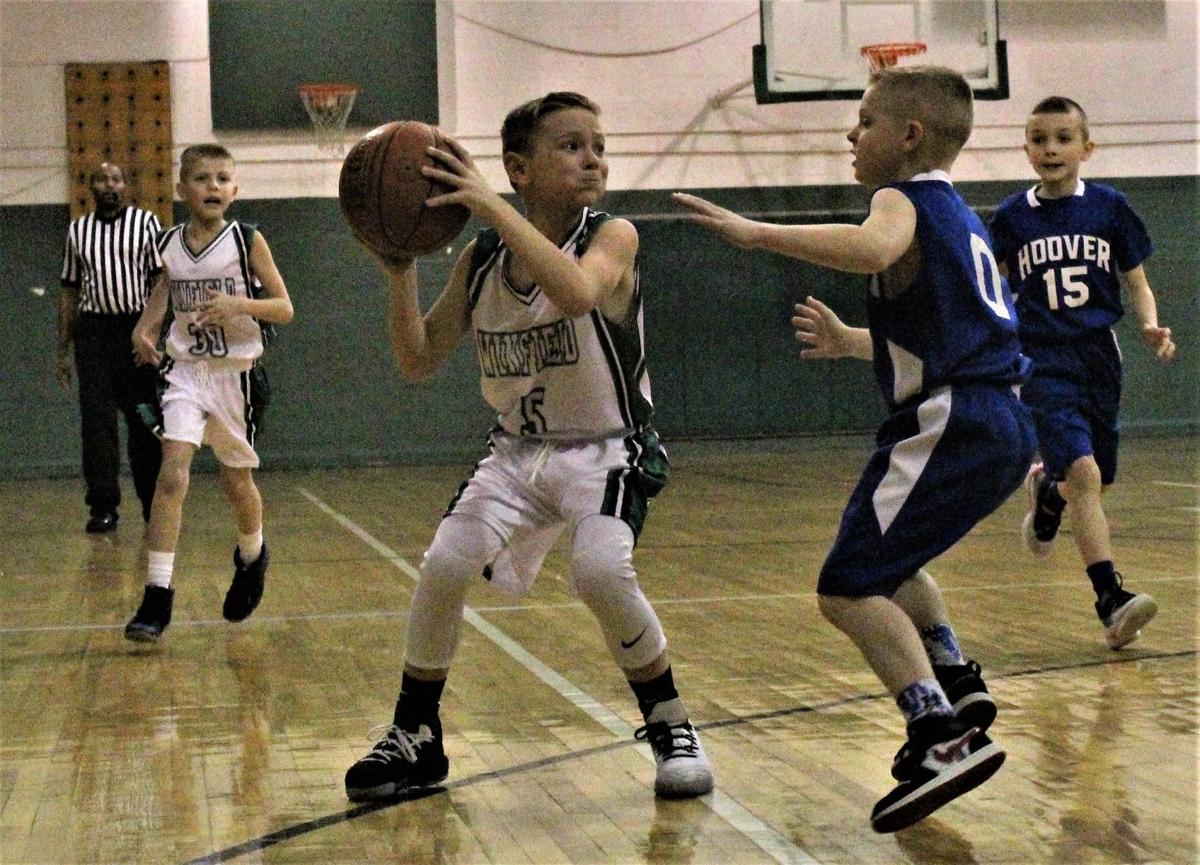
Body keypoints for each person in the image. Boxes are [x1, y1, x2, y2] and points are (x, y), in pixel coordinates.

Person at [674, 66, 1036, 832]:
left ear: (908, 137)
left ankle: (937, 733)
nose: (850, 132)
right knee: (893, 565)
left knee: (845, 586)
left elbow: (873, 249)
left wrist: (757, 232)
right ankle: (955, 675)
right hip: (999, 416)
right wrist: (851, 342)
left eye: (865, 120)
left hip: (950, 419)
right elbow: (946, 334)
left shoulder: (899, 198)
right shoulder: (962, 216)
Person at [343, 92, 713, 802]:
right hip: (517, 452)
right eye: (571, 145)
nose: (592, 156)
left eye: (597, 144)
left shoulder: (614, 236)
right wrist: (398, 269)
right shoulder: (481, 263)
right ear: (519, 167)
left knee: (601, 572)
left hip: (608, 448)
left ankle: (669, 721)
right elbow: (418, 358)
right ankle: (416, 732)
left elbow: (575, 293)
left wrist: (485, 204)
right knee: (446, 562)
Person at [989, 96, 1173, 650]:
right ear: (1026, 149)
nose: (1051, 148)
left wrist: (1150, 324)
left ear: (1086, 148)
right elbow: (993, 290)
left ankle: (1048, 493)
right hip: (1041, 359)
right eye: (1039, 139)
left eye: (1063, 138)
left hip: (1098, 356)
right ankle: (1110, 600)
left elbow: (1136, 281)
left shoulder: (1110, 208)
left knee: (1093, 480)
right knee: (1087, 475)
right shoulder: (1011, 219)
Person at [122, 144, 293, 643]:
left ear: (235, 190)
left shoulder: (247, 240)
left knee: (237, 485)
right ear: (182, 190)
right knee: (172, 473)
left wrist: (241, 304)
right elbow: (164, 292)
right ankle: (157, 596)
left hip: (235, 377)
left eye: (222, 178)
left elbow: (284, 307)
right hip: (186, 374)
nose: (213, 186)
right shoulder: (171, 243)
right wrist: (144, 330)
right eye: (202, 178)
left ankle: (252, 555)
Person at [58, 162, 164, 533]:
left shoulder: (146, 224)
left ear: (126, 185)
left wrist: (152, 335)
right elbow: (69, 291)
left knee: (145, 421)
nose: (110, 184)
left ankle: (154, 505)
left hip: (136, 329)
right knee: (97, 425)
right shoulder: (78, 231)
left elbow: (160, 283)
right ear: (91, 187)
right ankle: (103, 507)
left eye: (117, 178)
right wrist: (62, 350)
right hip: (94, 334)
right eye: (102, 179)